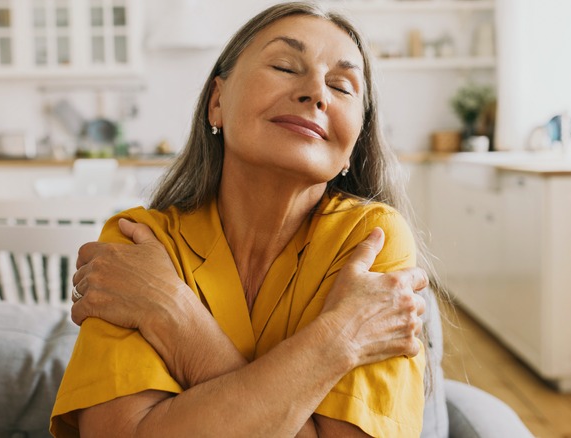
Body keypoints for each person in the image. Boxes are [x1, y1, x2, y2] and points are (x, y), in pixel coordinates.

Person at [50, 2, 432, 436]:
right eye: (285, 67)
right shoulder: (137, 241)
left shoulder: (372, 240)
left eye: (342, 87)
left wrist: (171, 313)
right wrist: (342, 339)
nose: (316, 93)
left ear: (354, 145)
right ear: (217, 102)